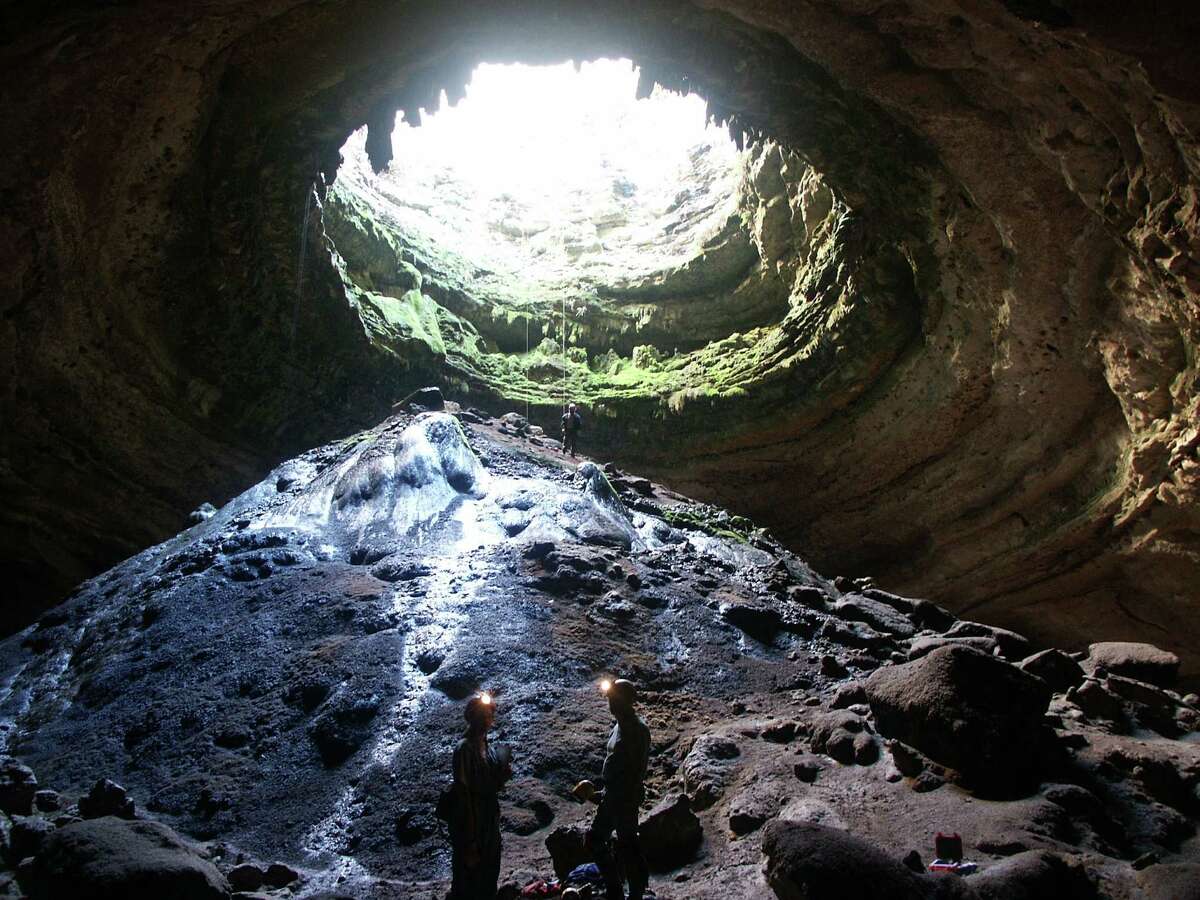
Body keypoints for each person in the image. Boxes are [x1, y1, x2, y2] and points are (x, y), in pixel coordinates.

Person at [573, 679, 651, 900]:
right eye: (610, 699)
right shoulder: (620, 725)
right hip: (613, 796)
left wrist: (620, 797)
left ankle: (635, 892)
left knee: (627, 845)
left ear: (626, 702)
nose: (610, 703)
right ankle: (615, 889)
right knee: (596, 840)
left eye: (614, 699)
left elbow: (636, 771)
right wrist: (600, 793)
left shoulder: (637, 730)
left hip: (623, 799)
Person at [448, 692, 512, 900]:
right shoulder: (464, 749)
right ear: (472, 717)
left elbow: (494, 785)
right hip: (470, 819)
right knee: (467, 879)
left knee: (489, 871)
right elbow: (463, 793)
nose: (486, 720)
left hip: (489, 817)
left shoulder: (488, 748)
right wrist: (470, 838)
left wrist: (502, 776)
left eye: (489, 716)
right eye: (482, 716)